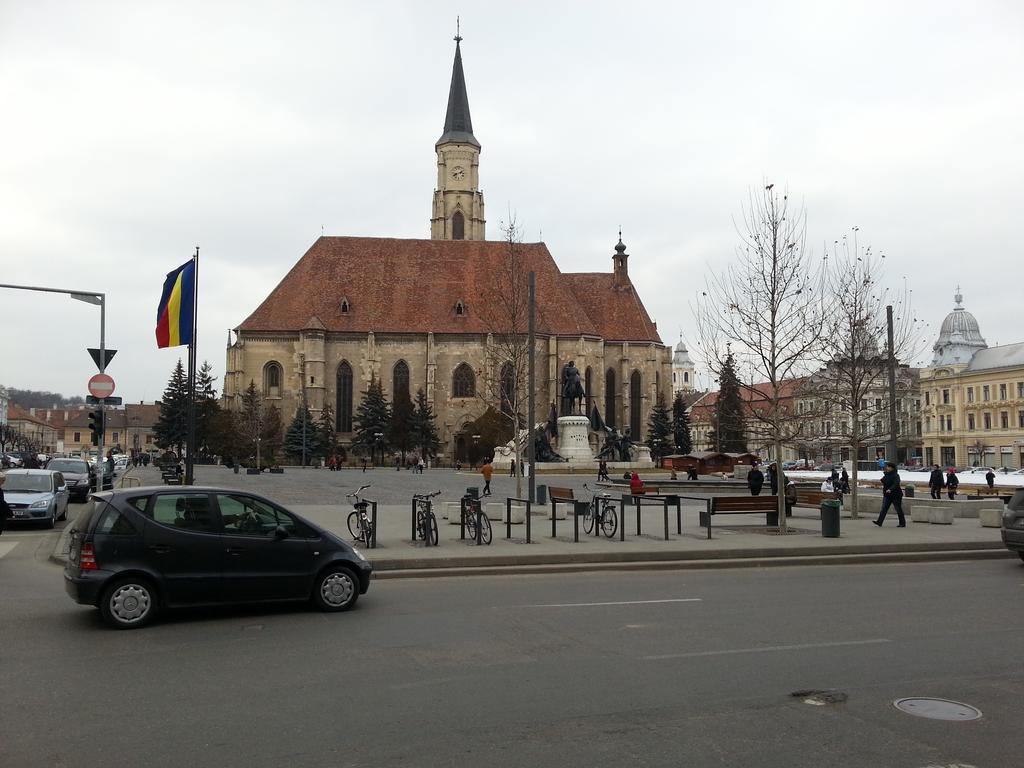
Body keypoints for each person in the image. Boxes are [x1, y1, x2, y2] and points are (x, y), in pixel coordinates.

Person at [874, 461, 906, 527]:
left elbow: (896, 484)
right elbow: (884, 481)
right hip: (887, 495)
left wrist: (890, 489)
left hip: (896, 495)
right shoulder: (887, 474)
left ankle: (902, 523)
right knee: (884, 508)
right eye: (887, 466)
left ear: (892, 468)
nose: (887, 468)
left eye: (888, 467)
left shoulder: (896, 475)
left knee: (898, 509)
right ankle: (879, 522)